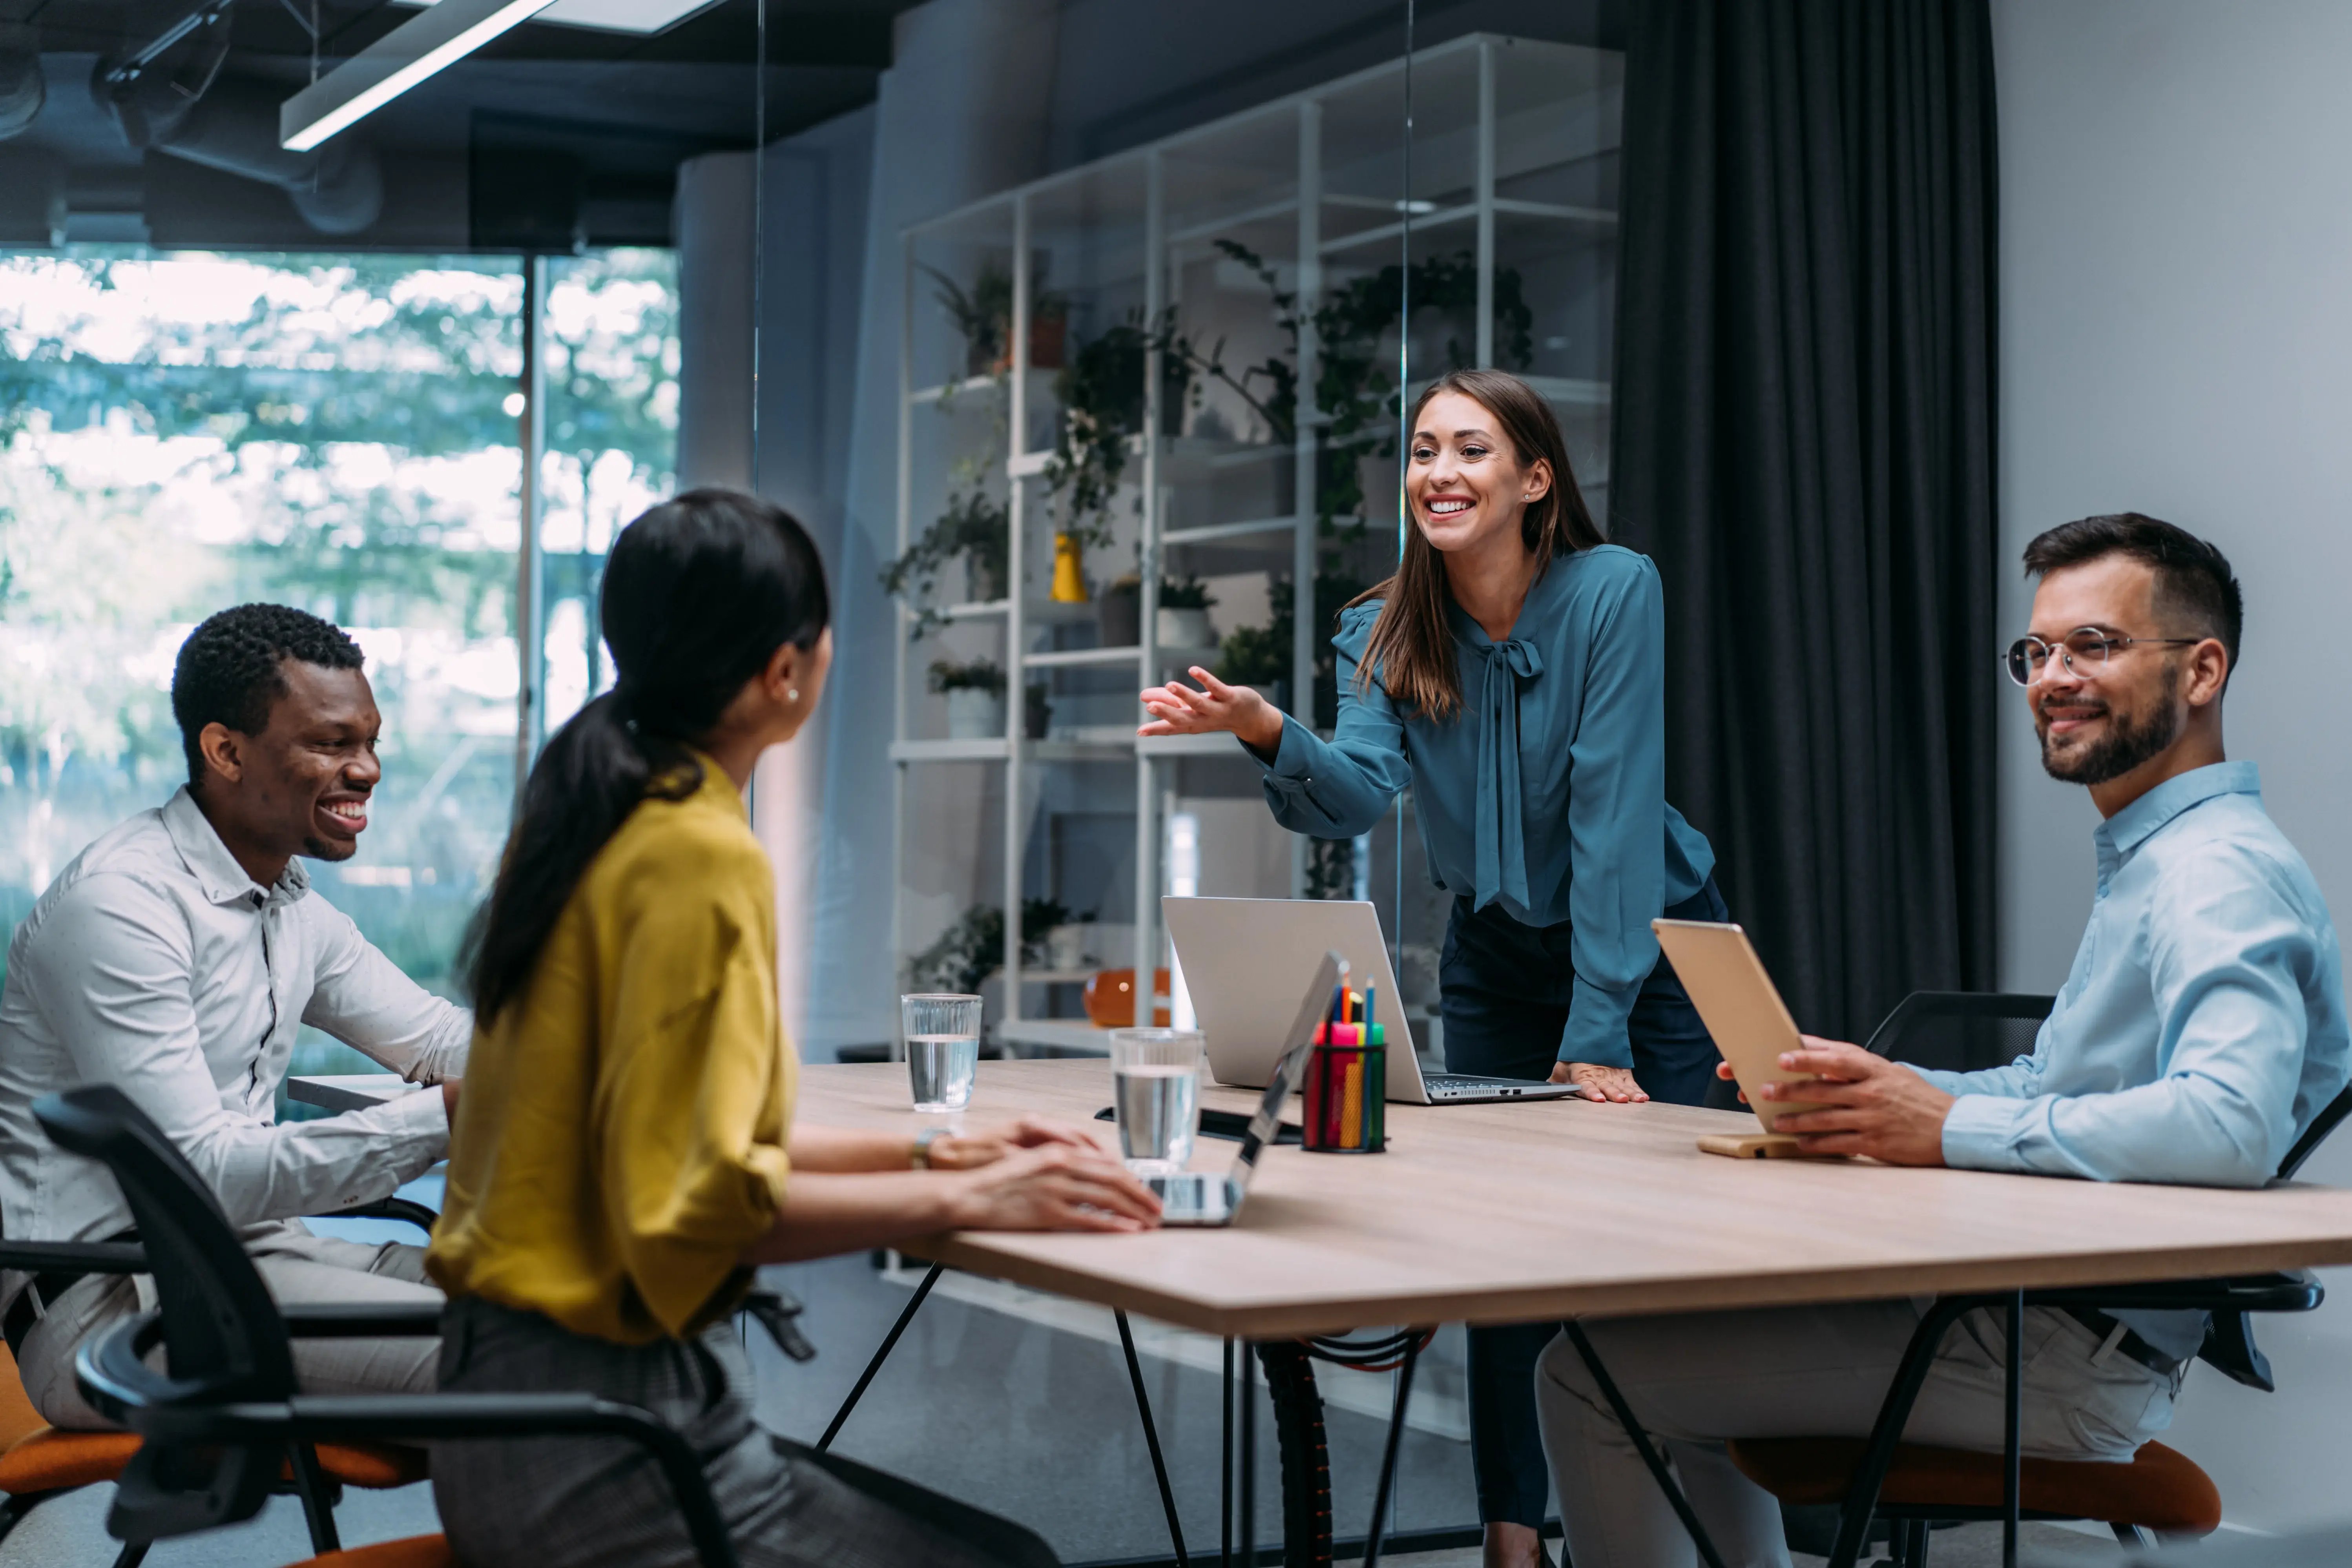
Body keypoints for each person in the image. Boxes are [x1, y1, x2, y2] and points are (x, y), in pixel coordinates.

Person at [1534, 514, 2352, 1568]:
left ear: (2202, 670)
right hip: (2022, 1312)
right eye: (2038, 652)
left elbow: (2229, 1123)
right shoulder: (2158, 859)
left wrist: (1948, 1126)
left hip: (2050, 1347)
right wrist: (1881, 1087)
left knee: (1584, 1368)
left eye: (2094, 645)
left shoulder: (2214, 871)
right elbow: (2052, 1079)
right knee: (1642, 1339)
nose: (2052, 678)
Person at [425, 488, 1159, 1568]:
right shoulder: (695, 851)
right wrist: (968, 1194)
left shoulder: (596, 814)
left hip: (511, 1413)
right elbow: (694, 1209)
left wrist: (937, 1145)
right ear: (786, 672)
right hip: (606, 1445)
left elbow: (674, 1147)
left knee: (1006, 1547)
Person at [1139, 367, 1727, 1567]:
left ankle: (1669, 1534)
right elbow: (1353, 801)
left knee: (1660, 1249)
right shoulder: (1384, 625)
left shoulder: (1613, 591)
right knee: (1508, 1262)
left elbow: (1615, 815)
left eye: (1469, 450)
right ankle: (1514, 1539)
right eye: (1420, 451)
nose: (1438, 473)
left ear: (1535, 478)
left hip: (1647, 946)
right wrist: (1266, 728)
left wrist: (1601, 1021)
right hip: (1499, 953)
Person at [0, 604, 468, 1426]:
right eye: (332, 743)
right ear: (225, 751)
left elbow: (435, 1039)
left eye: (371, 741)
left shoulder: (287, 905)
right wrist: (449, 1115)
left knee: (580, 1312)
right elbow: (206, 1173)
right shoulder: (123, 907)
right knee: (515, 1352)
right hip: (111, 1307)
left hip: (247, 1256)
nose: (368, 770)